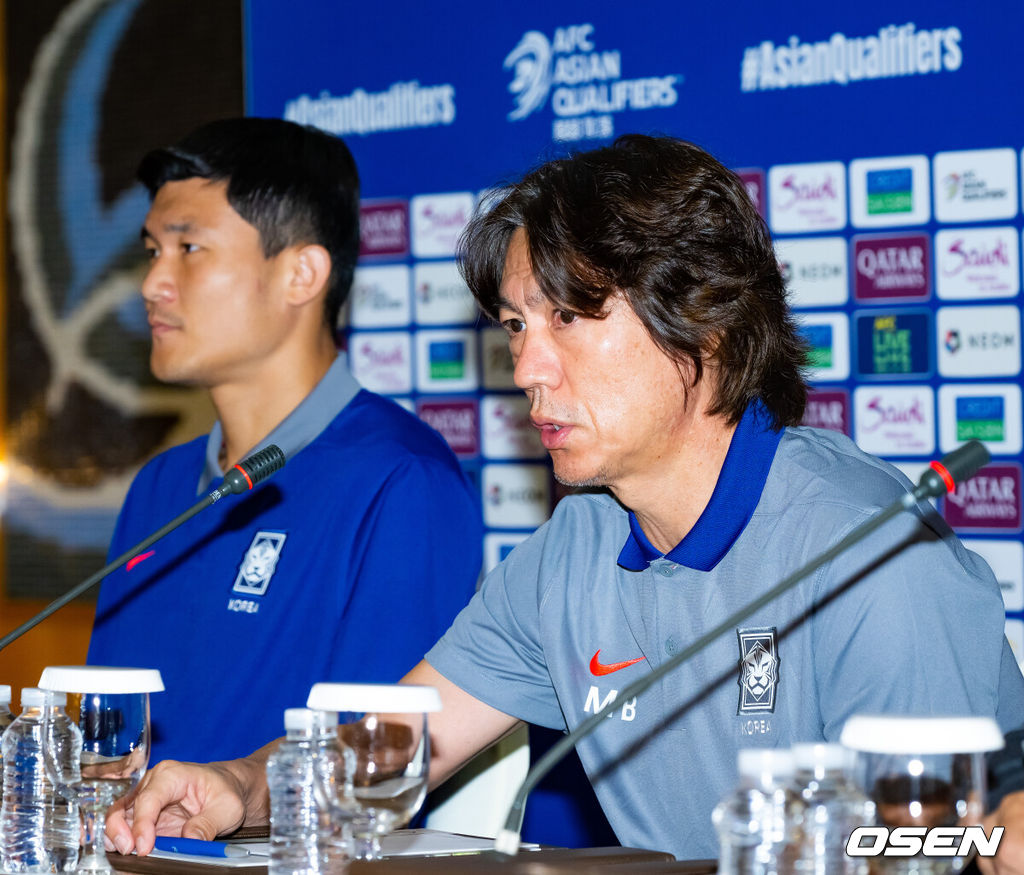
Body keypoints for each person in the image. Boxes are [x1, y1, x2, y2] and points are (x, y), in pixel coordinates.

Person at [104, 134, 1024, 861]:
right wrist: (239, 784)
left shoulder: (869, 556)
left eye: (571, 318)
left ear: (702, 320)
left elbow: (927, 848)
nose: (528, 369)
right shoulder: (578, 543)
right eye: (515, 324)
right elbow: (393, 746)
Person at [88, 118, 482, 765]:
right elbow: (105, 750)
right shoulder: (158, 486)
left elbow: (372, 764)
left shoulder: (402, 481)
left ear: (302, 274)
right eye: (153, 250)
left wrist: (231, 798)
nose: (152, 283)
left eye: (188, 250)